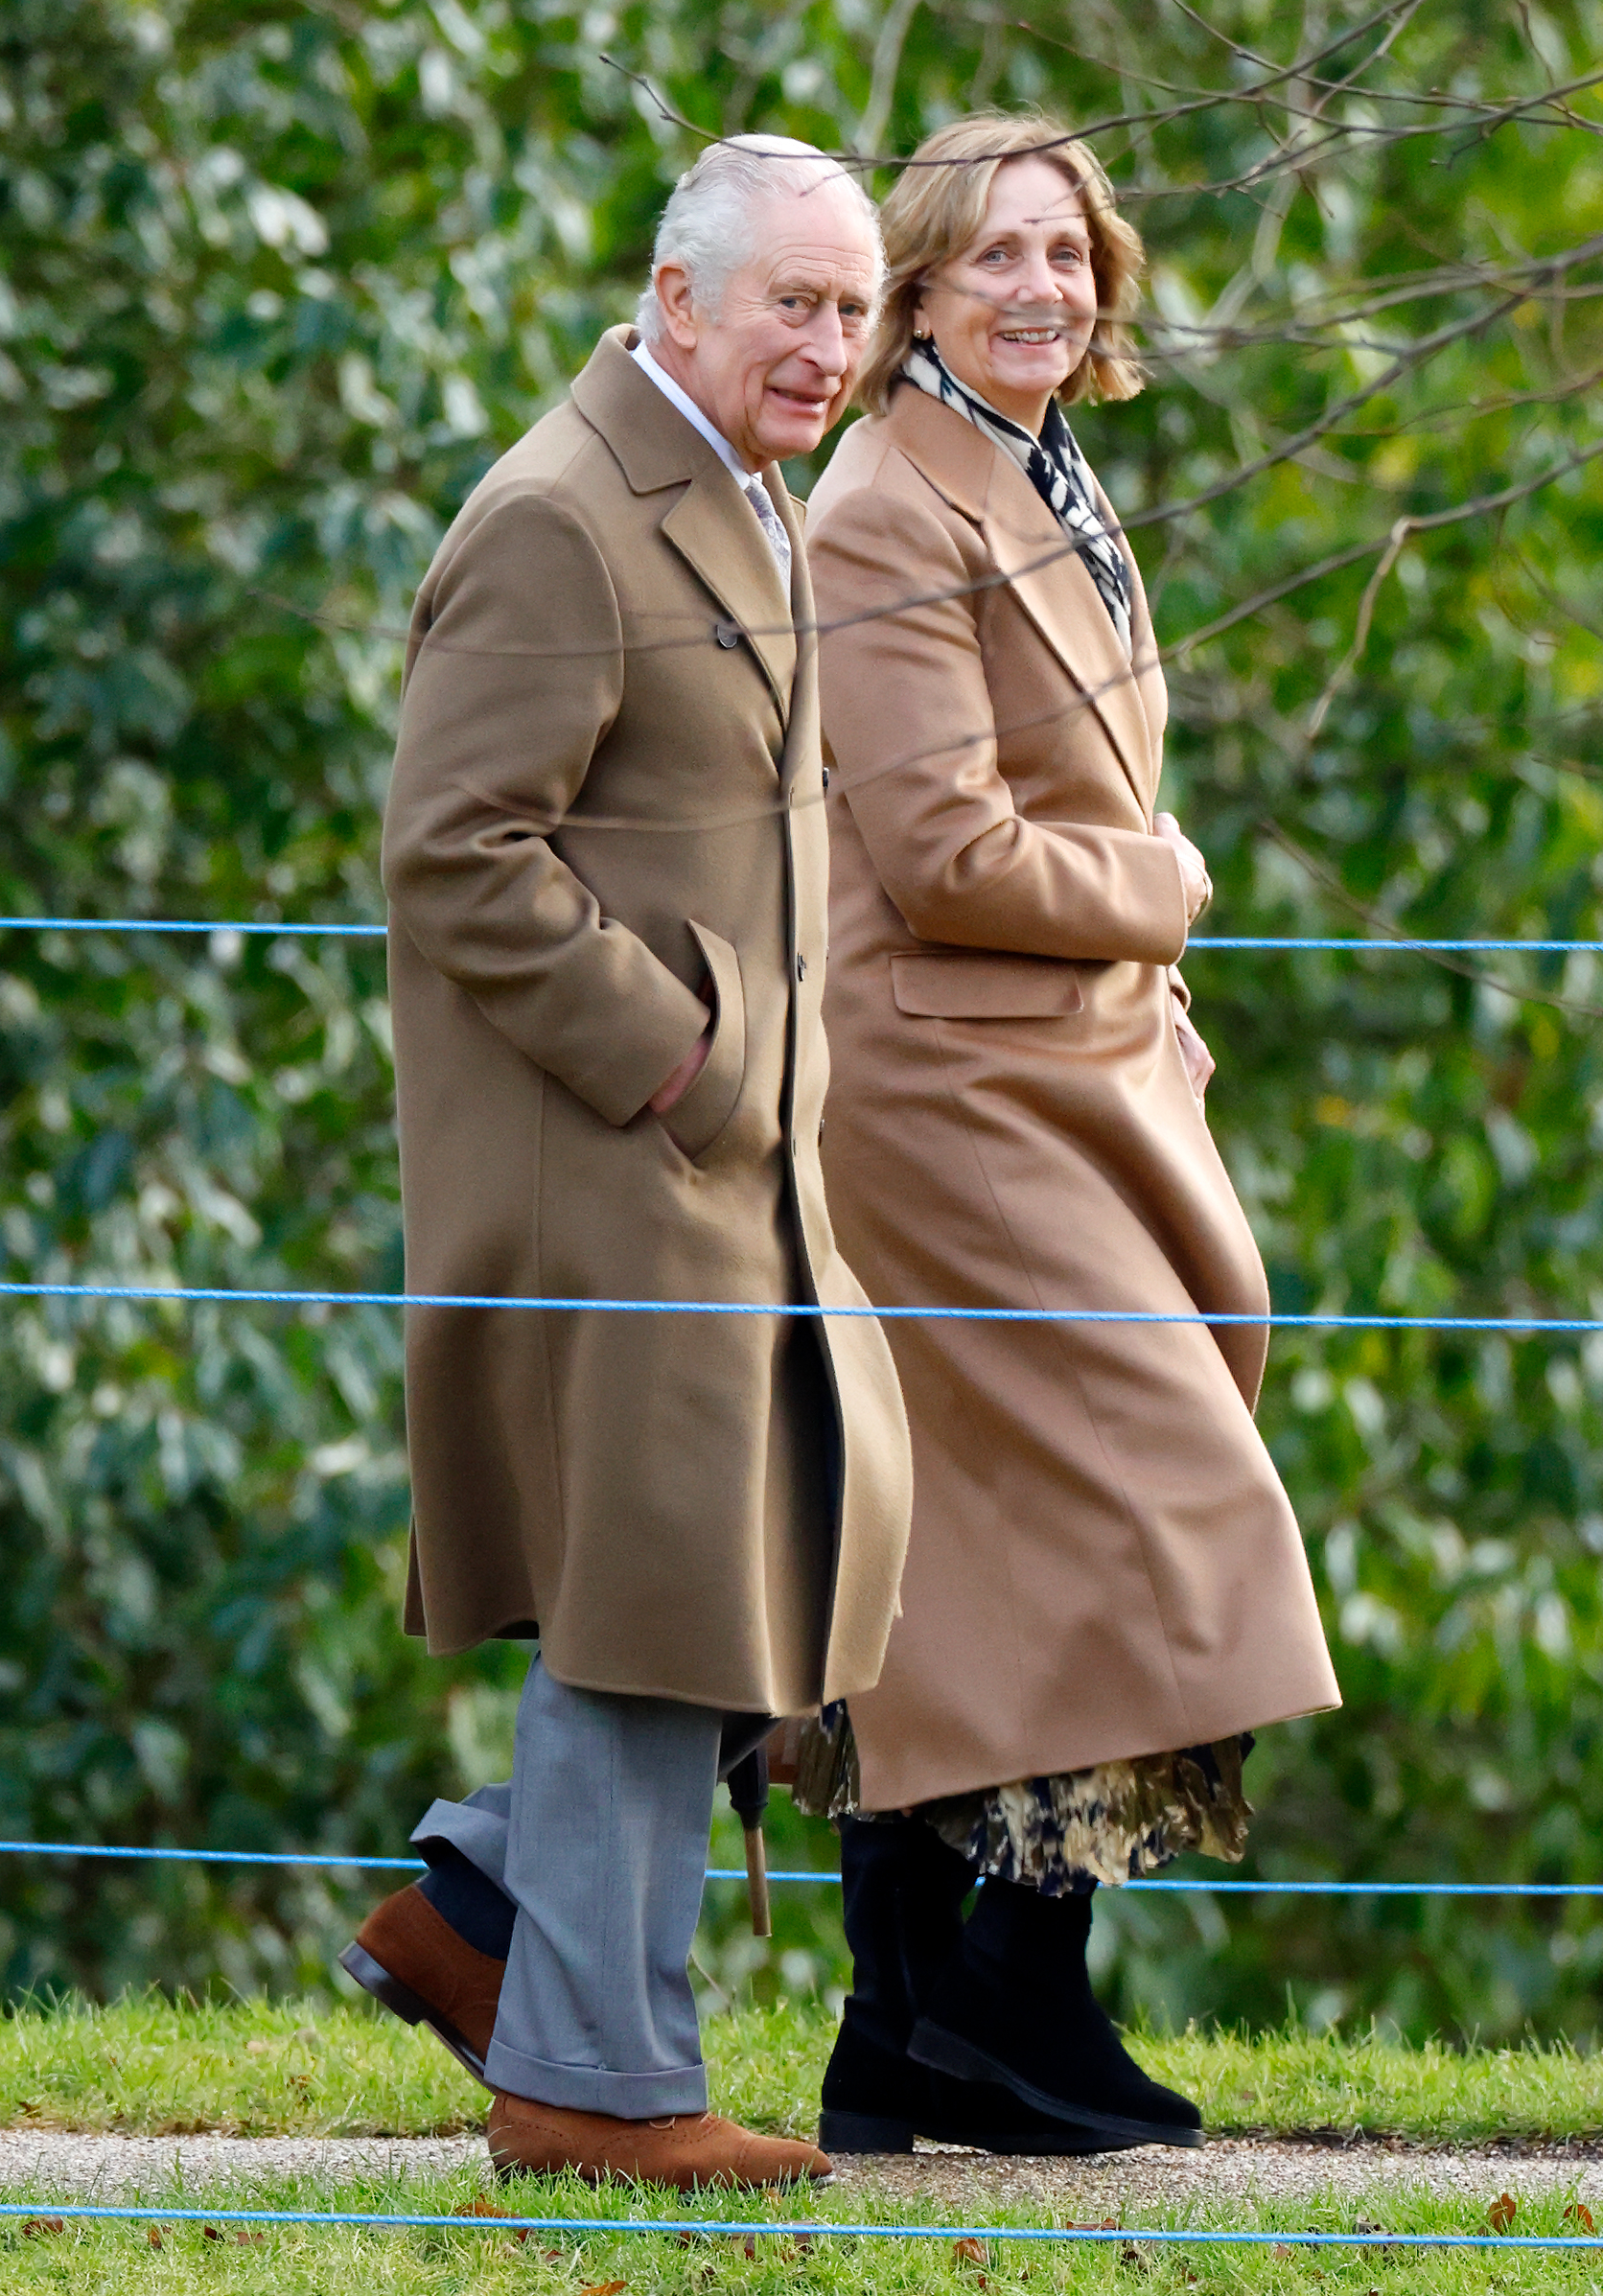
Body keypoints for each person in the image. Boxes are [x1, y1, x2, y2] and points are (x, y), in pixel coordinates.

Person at [340, 133, 912, 2192]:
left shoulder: (733, 492)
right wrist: (673, 1049)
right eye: (793, 303)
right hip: (612, 1160)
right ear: (679, 302)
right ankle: (592, 2081)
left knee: (762, 1558)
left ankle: (486, 1914)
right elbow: (449, 851)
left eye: (851, 310)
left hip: (723, 1164)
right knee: (642, 1603)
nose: (827, 345)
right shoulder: (558, 517)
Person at [799, 113, 1340, 2156]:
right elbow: (939, 851)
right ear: (919, 286)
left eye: (1066, 251)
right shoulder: (880, 503)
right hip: (951, 1091)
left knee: (962, 1571)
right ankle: (1010, 1997)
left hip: (1071, 1071)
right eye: (995, 254)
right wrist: (1162, 883)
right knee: (1161, 1502)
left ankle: (911, 2030)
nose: (1041, 284)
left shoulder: (1029, 464)